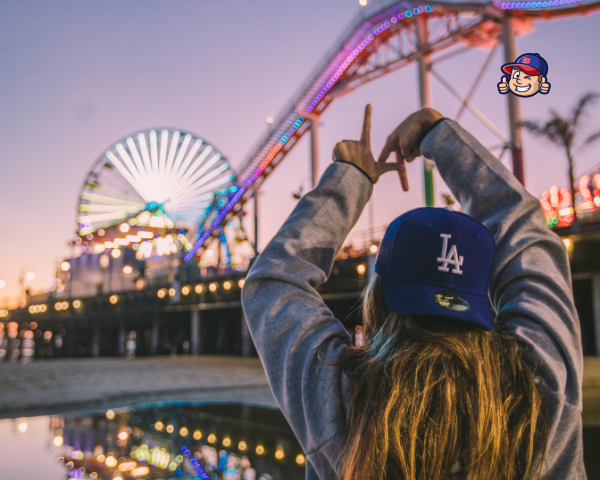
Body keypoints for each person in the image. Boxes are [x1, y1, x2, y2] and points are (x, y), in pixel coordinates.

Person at [241, 106, 584, 479]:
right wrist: (440, 134)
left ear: (378, 296)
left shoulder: (341, 397)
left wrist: (350, 178)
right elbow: (526, 229)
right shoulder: (541, 383)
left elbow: (273, 278)